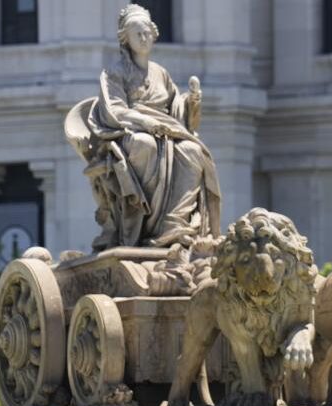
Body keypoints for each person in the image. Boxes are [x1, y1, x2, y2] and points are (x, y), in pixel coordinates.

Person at [64, 3, 223, 250]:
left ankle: (173, 223)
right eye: (137, 33)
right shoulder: (114, 73)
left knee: (193, 152)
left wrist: (191, 103)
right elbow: (115, 111)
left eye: (147, 32)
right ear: (125, 39)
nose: (144, 37)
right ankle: (147, 224)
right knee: (144, 145)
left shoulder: (161, 73)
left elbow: (177, 112)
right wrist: (145, 122)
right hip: (129, 134)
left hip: (167, 133)